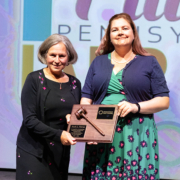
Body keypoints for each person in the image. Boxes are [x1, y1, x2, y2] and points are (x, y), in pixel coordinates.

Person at [81, 13, 169, 179]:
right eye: (114, 30)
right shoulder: (98, 62)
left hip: (137, 131)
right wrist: (88, 130)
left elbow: (163, 101)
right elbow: (87, 98)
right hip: (102, 131)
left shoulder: (149, 62)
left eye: (124, 28)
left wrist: (135, 106)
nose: (120, 32)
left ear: (133, 33)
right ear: (109, 36)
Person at [16, 34, 81, 180]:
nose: (57, 60)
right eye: (53, 55)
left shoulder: (75, 83)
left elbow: (78, 113)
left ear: (68, 57)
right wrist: (59, 135)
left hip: (60, 150)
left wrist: (74, 119)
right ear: (45, 55)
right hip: (34, 149)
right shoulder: (33, 79)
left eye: (62, 56)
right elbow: (30, 120)